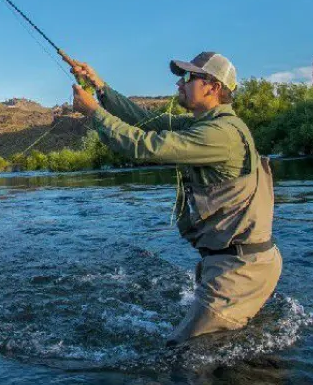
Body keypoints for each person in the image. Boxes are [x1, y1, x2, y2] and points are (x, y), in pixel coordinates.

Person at [64, 50, 281, 342]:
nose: (180, 83)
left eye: (189, 77)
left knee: (180, 355)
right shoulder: (206, 124)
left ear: (213, 87)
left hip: (239, 272)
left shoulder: (220, 134)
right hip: (237, 263)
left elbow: (146, 146)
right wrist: (100, 87)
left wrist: (93, 112)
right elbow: (147, 121)